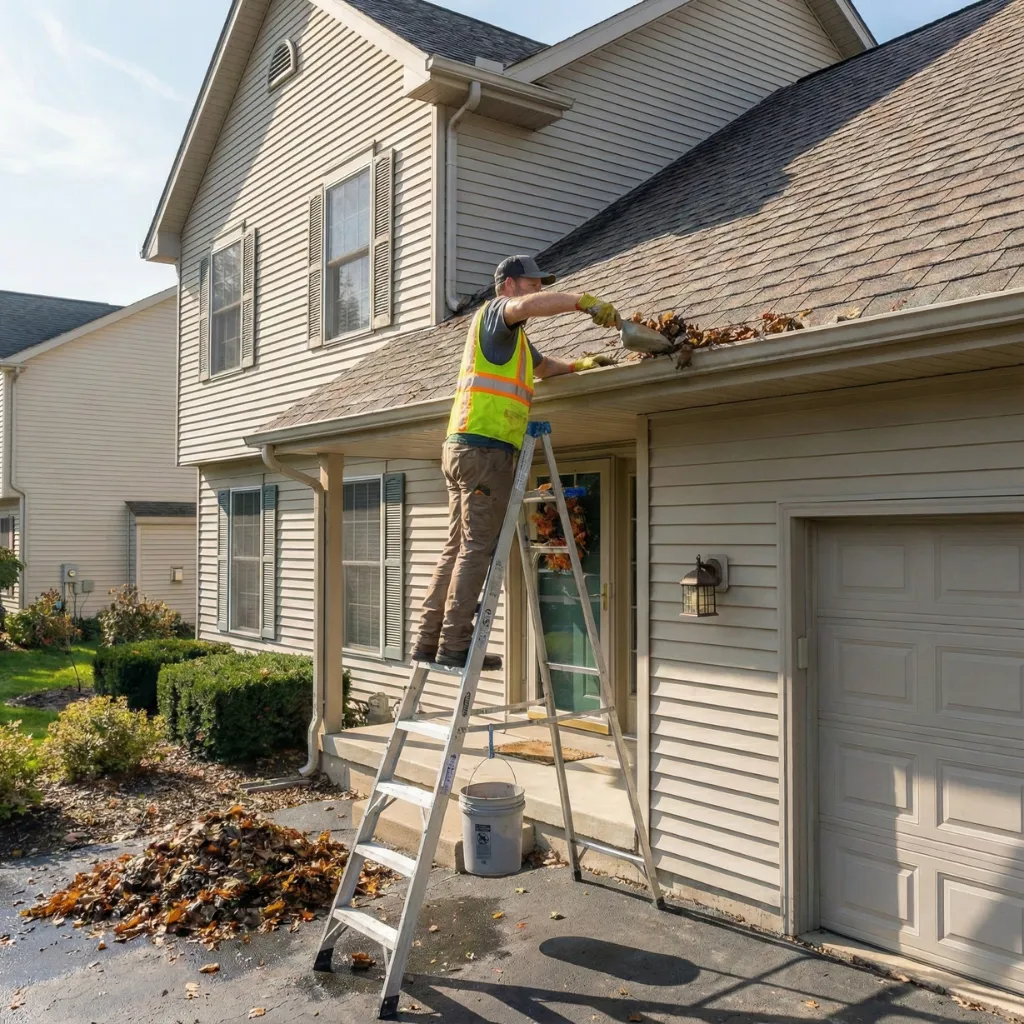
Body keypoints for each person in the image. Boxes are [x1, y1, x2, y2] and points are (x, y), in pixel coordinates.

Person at [411, 254, 619, 669]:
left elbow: (544, 368)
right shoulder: (495, 315)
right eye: (532, 282)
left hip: (465, 449)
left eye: (541, 284)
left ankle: (428, 640)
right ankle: (455, 645)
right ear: (507, 284)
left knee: (457, 547)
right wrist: (583, 301)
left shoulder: (515, 342)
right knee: (476, 547)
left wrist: (579, 364)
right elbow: (524, 308)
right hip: (485, 451)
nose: (537, 289)